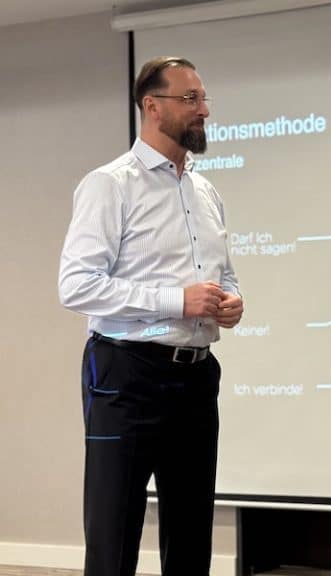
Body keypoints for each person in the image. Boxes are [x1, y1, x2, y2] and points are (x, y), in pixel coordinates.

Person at [59, 56, 243, 576]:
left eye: (204, 99)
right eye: (191, 99)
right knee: (114, 534)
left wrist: (231, 300)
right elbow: (76, 285)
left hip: (197, 377)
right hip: (126, 375)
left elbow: (223, 274)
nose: (204, 110)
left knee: (191, 536)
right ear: (152, 106)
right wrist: (177, 301)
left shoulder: (205, 192)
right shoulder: (110, 185)